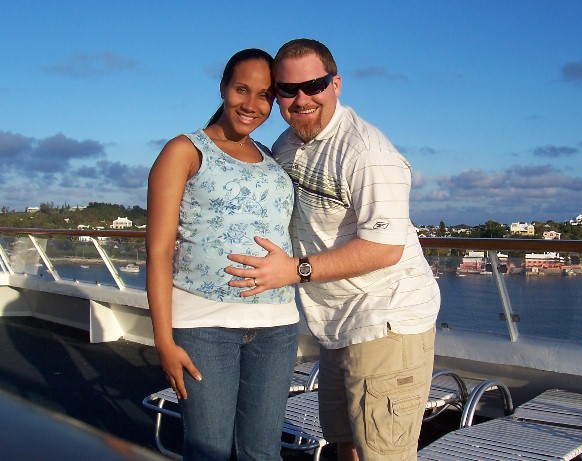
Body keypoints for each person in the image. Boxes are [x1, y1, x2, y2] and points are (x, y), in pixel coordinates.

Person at [225, 39, 440, 461]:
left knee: (383, 453)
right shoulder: (287, 145)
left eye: (314, 85)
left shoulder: (366, 152)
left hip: (385, 320)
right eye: (288, 90)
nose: (302, 98)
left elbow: (385, 248)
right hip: (336, 324)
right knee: (346, 442)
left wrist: (295, 271)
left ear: (335, 84)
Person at [145, 48, 299, 461]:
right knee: (208, 451)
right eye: (241, 89)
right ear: (223, 88)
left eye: (265, 95)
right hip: (204, 326)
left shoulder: (271, 156)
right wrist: (163, 341)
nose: (251, 104)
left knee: (263, 454)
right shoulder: (185, 150)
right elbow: (158, 252)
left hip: (276, 325)